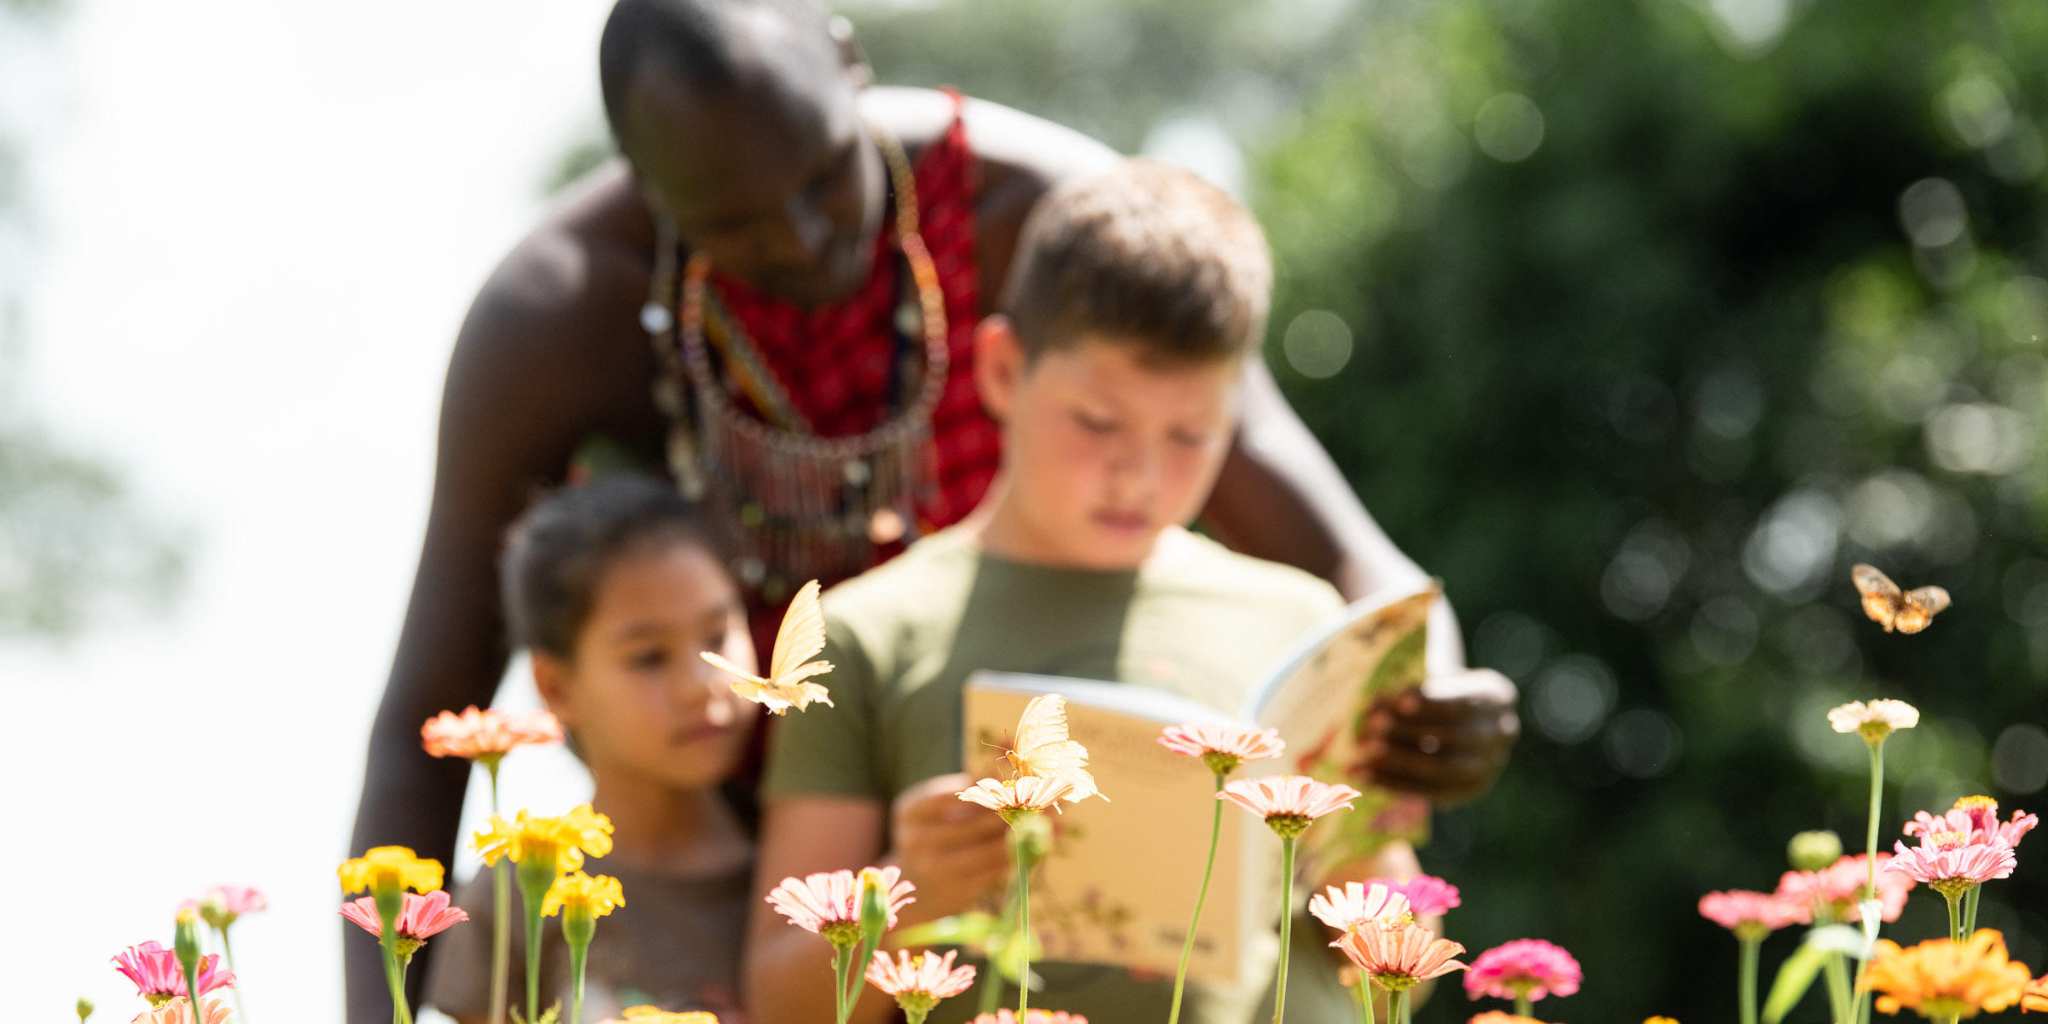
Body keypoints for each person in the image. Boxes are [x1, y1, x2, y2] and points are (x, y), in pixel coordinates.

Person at [348, 0, 1517, 1018]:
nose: (804, 243)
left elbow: (1349, 556)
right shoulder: (558, 316)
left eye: (820, 179)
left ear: (851, 68)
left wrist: (1436, 701)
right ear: (644, 188)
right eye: (737, 226)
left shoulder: (1039, 215)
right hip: (750, 880)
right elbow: (428, 719)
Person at [748, 159, 1428, 1024]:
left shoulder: (1300, 626)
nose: (1138, 476)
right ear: (1001, 372)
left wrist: (1370, 861)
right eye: (1098, 422)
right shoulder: (863, 635)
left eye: (1190, 434)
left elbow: (1398, 974)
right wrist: (908, 894)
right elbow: (778, 1001)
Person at [423, 475, 756, 1023]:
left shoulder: (798, 871)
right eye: (649, 657)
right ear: (556, 687)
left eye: (718, 636)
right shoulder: (519, 893)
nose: (703, 683)